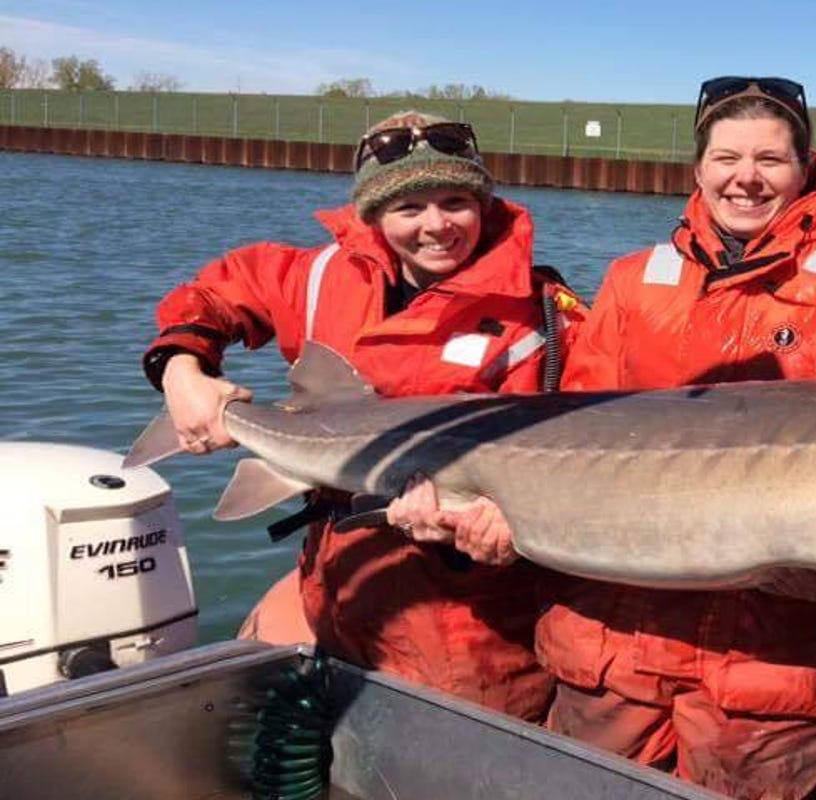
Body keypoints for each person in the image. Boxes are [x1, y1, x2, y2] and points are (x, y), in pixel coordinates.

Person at [537, 76, 816, 799]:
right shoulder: (632, 281)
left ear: (806, 167)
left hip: (770, 666)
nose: (744, 178)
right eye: (725, 158)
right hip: (611, 644)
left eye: (769, 160)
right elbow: (570, 436)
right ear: (698, 167)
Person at [143, 110, 580, 723]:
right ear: (374, 215)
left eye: (456, 201)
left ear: (483, 202)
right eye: (409, 209)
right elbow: (215, 294)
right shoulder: (320, 275)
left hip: (465, 622)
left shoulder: (542, 319)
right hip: (339, 578)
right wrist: (181, 370)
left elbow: (565, 468)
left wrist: (487, 536)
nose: (436, 226)